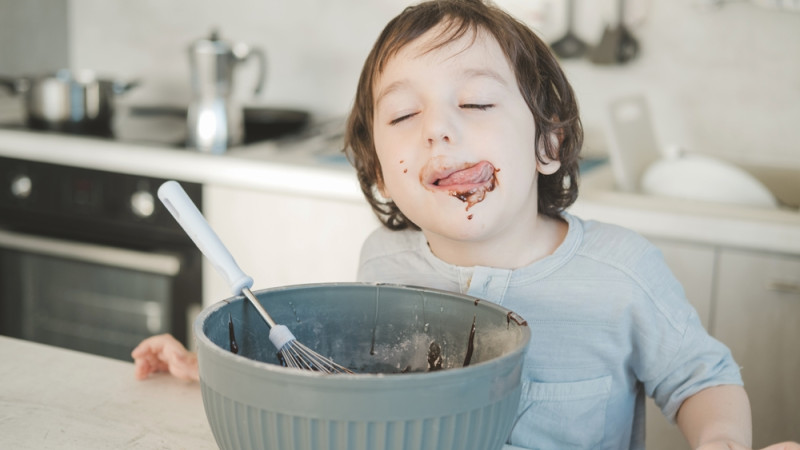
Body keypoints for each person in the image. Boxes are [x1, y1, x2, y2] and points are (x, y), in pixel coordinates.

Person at [132, 1, 800, 449]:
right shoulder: (385, 262)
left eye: (476, 101)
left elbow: (703, 380)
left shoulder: (622, 274)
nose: (438, 129)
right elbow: (345, 385)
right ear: (379, 171)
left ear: (549, 145)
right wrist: (224, 374)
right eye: (401, 117)